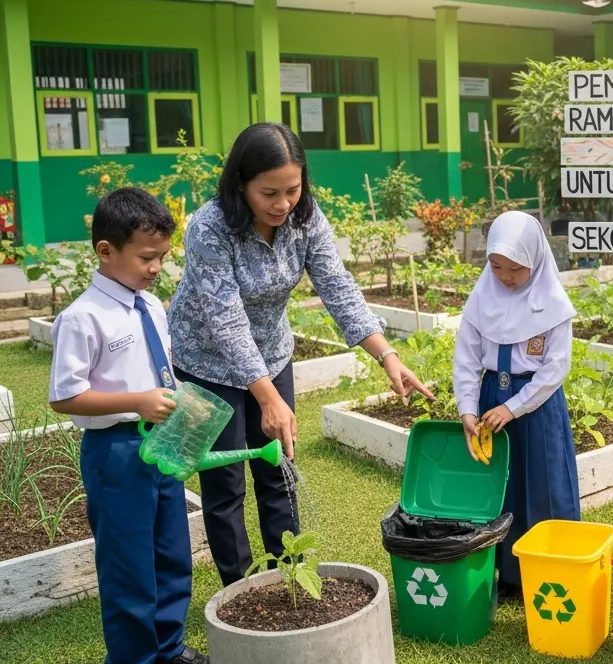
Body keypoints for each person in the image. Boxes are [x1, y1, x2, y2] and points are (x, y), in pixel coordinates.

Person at [167, 124, 430, 587]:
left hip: (271, 354)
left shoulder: (306, 219)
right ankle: (242, 589)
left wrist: (386, 355)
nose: (282, 203)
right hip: (205, 362)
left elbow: (338, 287)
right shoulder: (210, 228)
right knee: (225, 483)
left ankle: (289, 575)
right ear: (240, 183)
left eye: (293, 189)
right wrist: (267, 399)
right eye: (269, 192)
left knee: (279, 466)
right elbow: (225, 321)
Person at [48, 188, 208, 664]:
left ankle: (165, 647)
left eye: (163, 256)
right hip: (116, 451)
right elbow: (64, 396)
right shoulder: (84, 316)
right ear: (105, 251)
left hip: (161, 445)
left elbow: (160, 371)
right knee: (128, 564)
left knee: (170, 553)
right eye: (146, 257)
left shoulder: (151, 306)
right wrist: (136, 402)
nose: (157, 267)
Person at [453, 210, 580, 599]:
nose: (505, 277)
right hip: (492, 401)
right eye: (496, 266)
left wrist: (515, 407)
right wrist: (468, 409)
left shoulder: (553, 305)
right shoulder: (481, 301)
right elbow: (467, 359)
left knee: (544, 488)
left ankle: (550, 572)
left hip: (536, 408)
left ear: (536, 261)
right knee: (500, 489)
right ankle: (507, 576)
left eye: (515, 268)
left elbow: (555, 368)